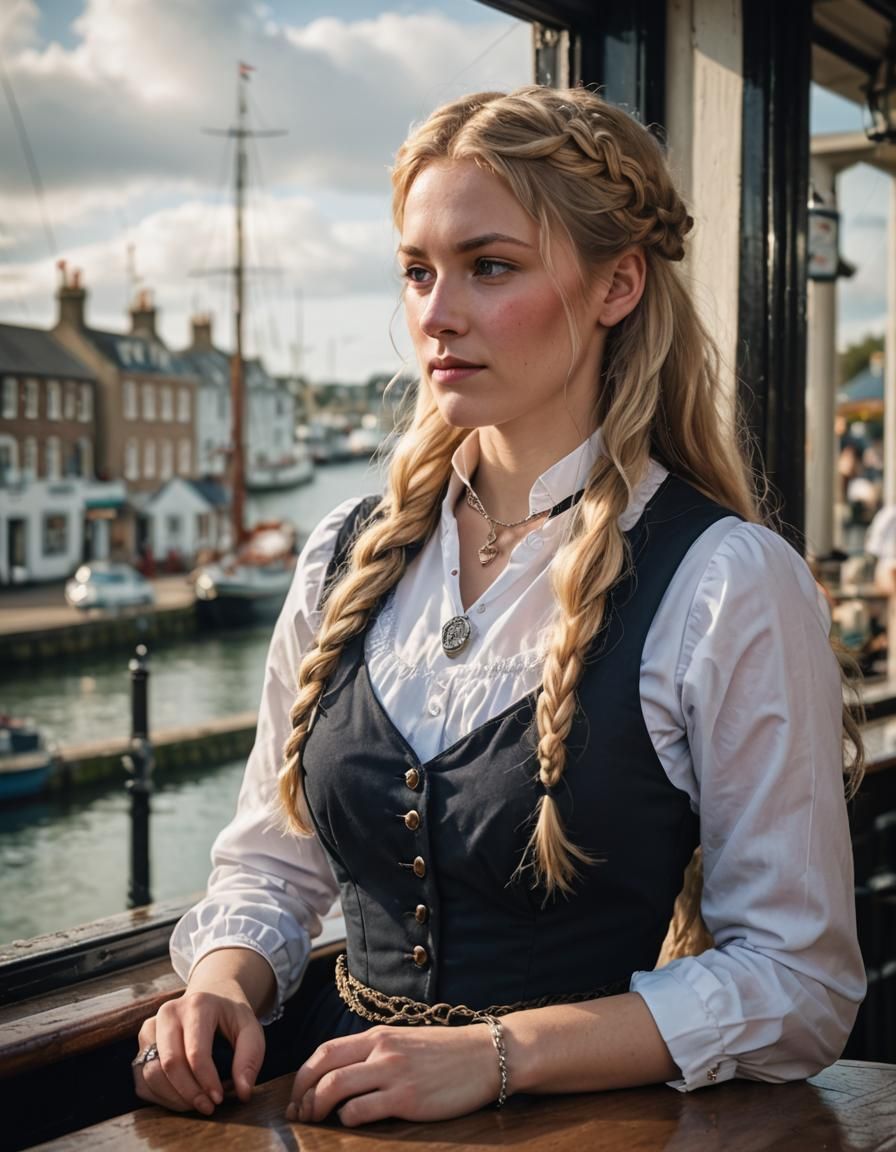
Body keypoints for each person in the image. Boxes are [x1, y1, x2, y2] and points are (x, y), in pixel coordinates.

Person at [133, 86, 865, 1127]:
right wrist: (220, 987)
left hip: (587, 1132)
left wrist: (498, 1056)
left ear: (616, 283)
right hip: (334, 1119)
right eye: (417, 271)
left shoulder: (726, 582)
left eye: (489, 266)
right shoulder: (344, 555)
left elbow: (799, 985)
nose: (435, 313)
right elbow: (271, 864)